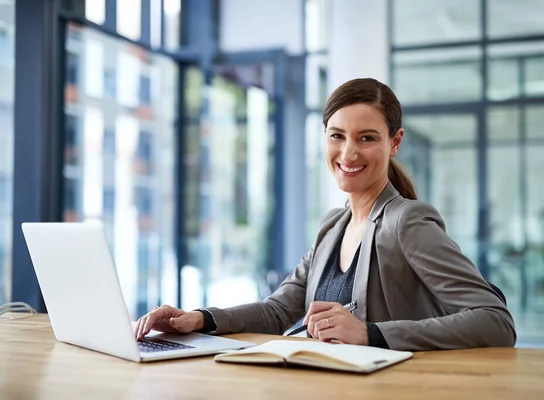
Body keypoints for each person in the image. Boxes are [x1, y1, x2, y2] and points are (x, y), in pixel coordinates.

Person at [135, 78, 516, 351]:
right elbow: (279, 309)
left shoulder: (407, 221)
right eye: (337, 135)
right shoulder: (333, 225)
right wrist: (200, 319)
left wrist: (372, 333)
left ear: (395, 143)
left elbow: (495, 321)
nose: (348, 154)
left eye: (367, 138)